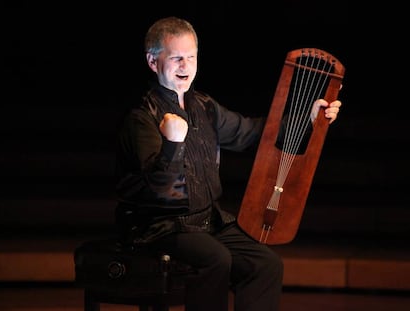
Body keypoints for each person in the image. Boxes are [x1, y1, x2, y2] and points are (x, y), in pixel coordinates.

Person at [115, 16, 342, 311]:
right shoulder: (142, 117)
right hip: (160, 225)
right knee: (216, 259)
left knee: (265, 264)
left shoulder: (205, 106)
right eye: (176, 58)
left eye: (191, 57)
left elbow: (253, 133)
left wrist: (308, 121)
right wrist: (172, 143)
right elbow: (158, 190)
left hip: (206, 220)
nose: (185, 66)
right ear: (152, 61)